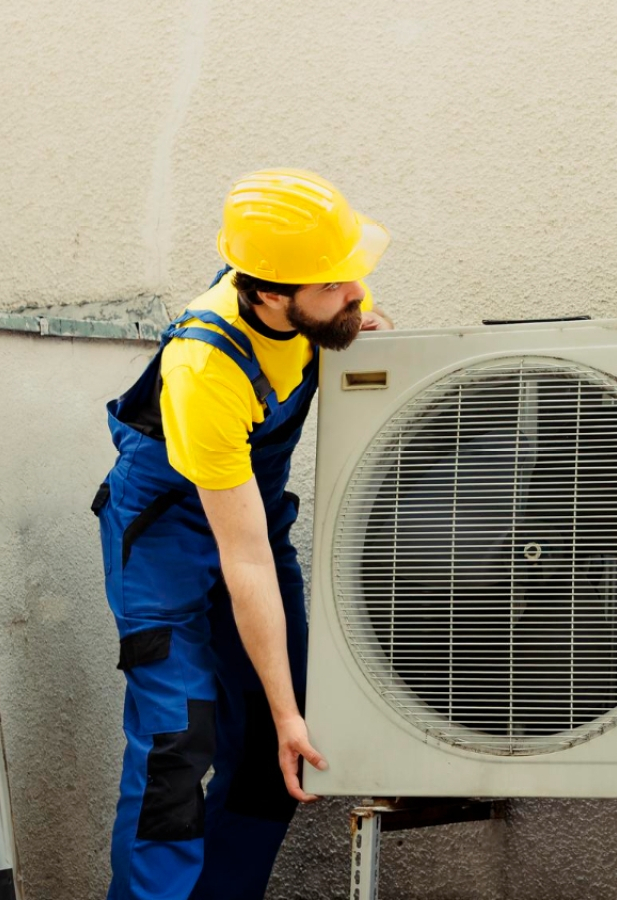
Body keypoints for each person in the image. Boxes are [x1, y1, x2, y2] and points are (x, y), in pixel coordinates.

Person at [90, 168, 392, 900]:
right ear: (272, 295)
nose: (356, 291)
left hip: (251, 520)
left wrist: (366, 329)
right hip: (165, 543)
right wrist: (287, 711)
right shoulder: (207, 365)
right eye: (336, 285)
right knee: (177, 744)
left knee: (273, 749)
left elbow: (255, 540)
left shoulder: (310, 291)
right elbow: (245, 560)